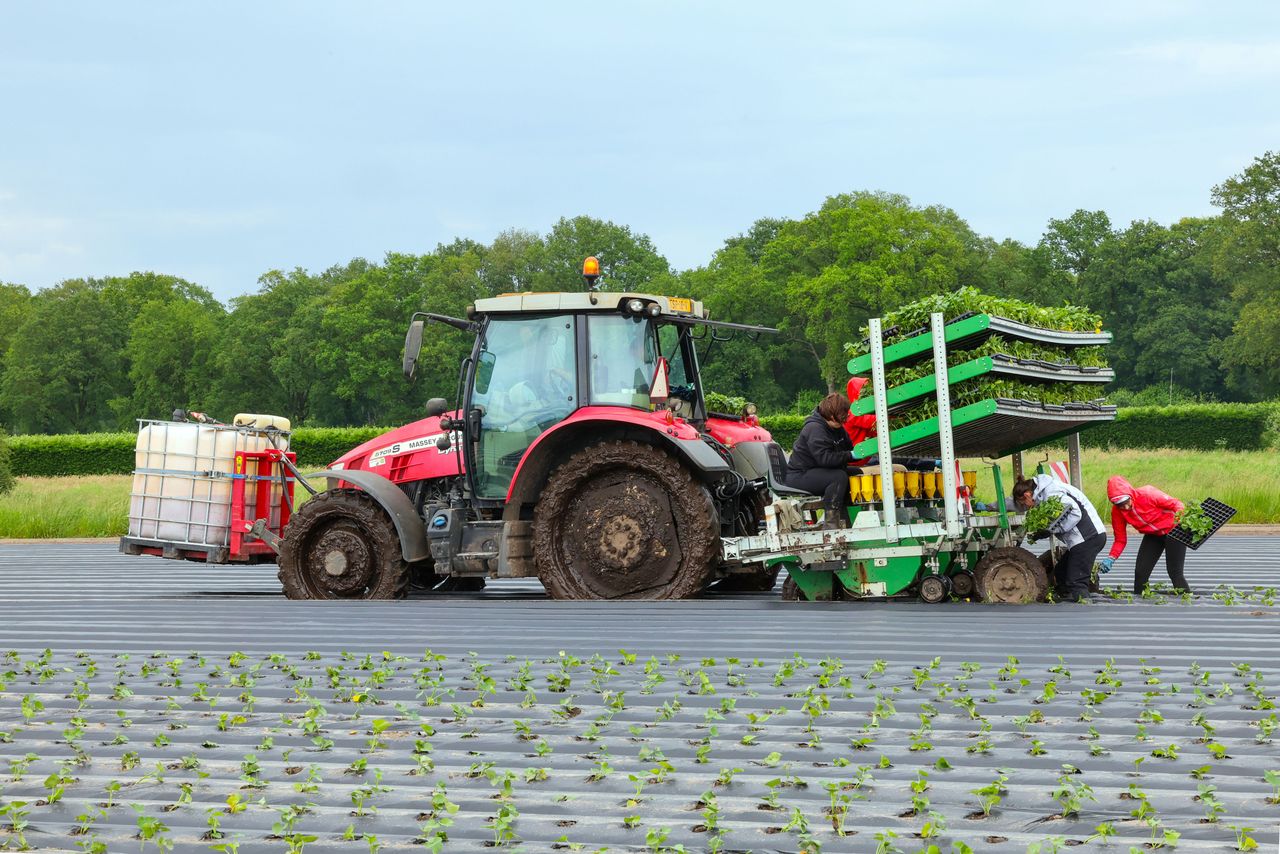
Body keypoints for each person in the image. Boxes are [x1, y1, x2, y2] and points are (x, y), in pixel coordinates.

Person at [1012, 473, 1106, 602]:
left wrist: (1052, 530)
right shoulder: (1044, 492)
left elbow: (1075, 512)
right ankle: (1064, 598)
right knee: (1062, 572)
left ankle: (1084, 605)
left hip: (1088, 537)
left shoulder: (1052, 493)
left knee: (1076, 580)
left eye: (1023, 503)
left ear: (1027, 495)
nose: (1026, 507)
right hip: (1081, 540)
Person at [1100, 475, 1189, 595]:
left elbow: (1177, 504)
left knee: (1175, 573)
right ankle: (1139, 605)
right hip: (1153, 535)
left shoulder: (1148, 494)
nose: (1125, 507)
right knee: (1141, 572)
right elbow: (1120, 540)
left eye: (1126, 502)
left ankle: (1186, 601)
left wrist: (1180, 519)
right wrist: (1111, 557)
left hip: (1174, 531)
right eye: (1120, 505)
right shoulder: (1117, 512)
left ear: (1130, 494)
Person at [787, 392, 860, 528]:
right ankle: (831, 525)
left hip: (816, 471)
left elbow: (848, 448)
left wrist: (862, 450)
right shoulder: (814, 428)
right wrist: (851, 455)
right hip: (799, 475)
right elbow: (825, 459)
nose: (845, 420)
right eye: (842, 417)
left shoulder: (836, 427)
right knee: (838, 477)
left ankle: (848, 520)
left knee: (855, 473)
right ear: (832, 415)